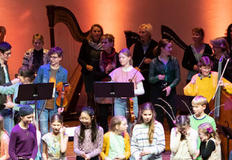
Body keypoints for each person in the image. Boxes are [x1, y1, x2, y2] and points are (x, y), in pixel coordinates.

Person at [34, 47, 68, 136]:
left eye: (55, 57)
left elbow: (63, 90)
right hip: (43, 102)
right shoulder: (43, 69)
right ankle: (44, 150)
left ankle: (52, 150)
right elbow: (36, 83)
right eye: (51, 57)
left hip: (55, 103)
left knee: (53, 130)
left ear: (60, 58)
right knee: (44, 131)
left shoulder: (64, 72)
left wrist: (61, 105)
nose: (52, 59)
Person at [149, 39, 180, 129]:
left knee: (172, 117)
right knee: (158, 118)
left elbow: (177, 78)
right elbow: (150, 79)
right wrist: (157, 78)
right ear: (162, 48)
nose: (171, 49)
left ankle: (173, 140)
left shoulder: (174, 61)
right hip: (157, 91)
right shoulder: (154, 62)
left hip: (170, 91)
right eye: (169, 47)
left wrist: (170, 87)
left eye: (171, 47)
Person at [109, 48, 144, 119]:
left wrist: (129, 91)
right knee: (119, 123)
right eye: (119, 58)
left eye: (123, 57)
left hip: (132, 101)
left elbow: (142, 90)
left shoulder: (136, 72)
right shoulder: (116, 72)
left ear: (129, 58)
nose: (120, 59)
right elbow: (111, 88)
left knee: (132, 124)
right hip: (119, 101)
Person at [0, 67, 35, 132]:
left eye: (20, 75)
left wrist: (13, 106)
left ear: (26, 78)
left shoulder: (32, 89)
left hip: (26, 120)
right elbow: (5, 90)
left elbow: (30, 108)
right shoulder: (18, 85)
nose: (18, 77)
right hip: (16, 118)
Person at [96, 33, 119, 132]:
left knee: (115, 110)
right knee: (102, 113)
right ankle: (104, 132)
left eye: (105, 42)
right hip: (102, 84)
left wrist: (112, 71)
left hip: (114, 85)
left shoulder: (118, 56)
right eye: (102, 42)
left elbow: (120, 71)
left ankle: (115, 131)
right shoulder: (99, 56)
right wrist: (105, 72)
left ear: (111, 43)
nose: (103, 44)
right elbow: (95, 73)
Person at [78, 24, 104, 108]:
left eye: (98, 31)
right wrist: (86, 66)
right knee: (90, 96)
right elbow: (80, 59)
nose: (97, 33)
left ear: (101, 33)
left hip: (100, 73)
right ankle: (91, 116)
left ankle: (99, 117)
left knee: (100, 96)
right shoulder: (86, 42)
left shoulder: (104, 43)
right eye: (95, 31)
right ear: (91, 32)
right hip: (88, 73)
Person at [132, 23, 158, 104]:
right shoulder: (137, 45)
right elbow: (135, 59)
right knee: (140, 99)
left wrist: (151, 61)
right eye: (140, 32)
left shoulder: (155, 45)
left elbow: (159, 61)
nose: (141, 34)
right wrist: (135, 67)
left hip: (150, 76)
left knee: (149, 98)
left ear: (149, 33)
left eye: (143, 32)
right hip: (140, 74)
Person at [188, 96, 216, 160]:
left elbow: (212, 137)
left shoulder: (210, 120)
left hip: (204, 154)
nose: (194, 109)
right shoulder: (189, 119)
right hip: (191, 153)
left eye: (196, 107)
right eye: (193, 106)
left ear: (204, 107)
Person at [0, 41, 13, 134]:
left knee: (9, 133)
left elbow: (7, 83)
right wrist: (13, 82)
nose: (9, 56)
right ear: (0, 53)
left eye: (10, 53)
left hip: (8, 103)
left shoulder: (6, 65)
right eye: (7, 54)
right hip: (1, 104)